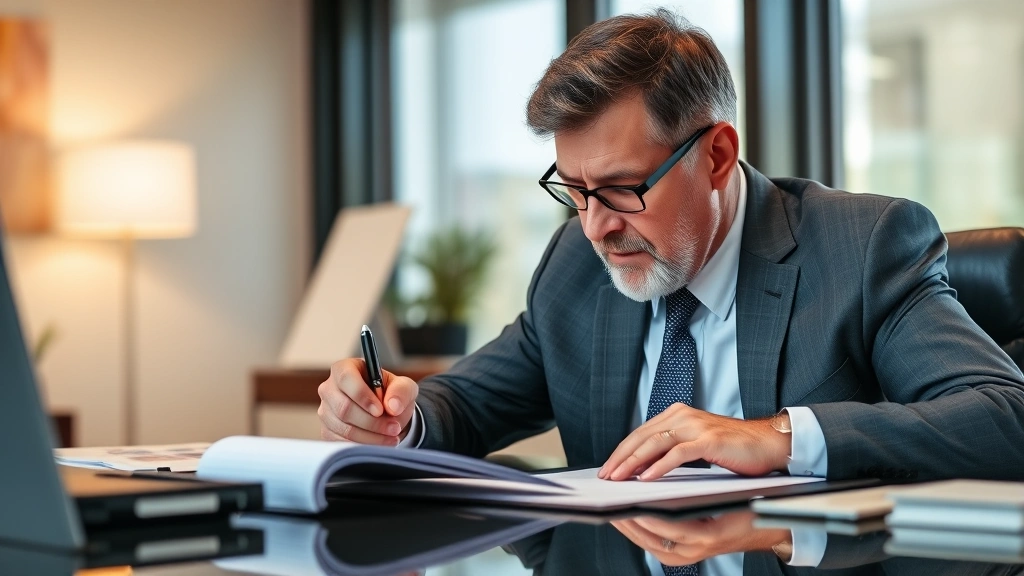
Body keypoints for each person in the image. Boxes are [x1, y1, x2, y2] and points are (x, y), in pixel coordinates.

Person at [317, 9, 1024, 483]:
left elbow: (1003, 417)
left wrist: (776, 438)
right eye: (574, 190)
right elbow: (465, 406)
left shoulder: (860, 247)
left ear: (716, 155)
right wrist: (395, 417)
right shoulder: (574, 268)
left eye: (623, 188)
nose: (595, 226)